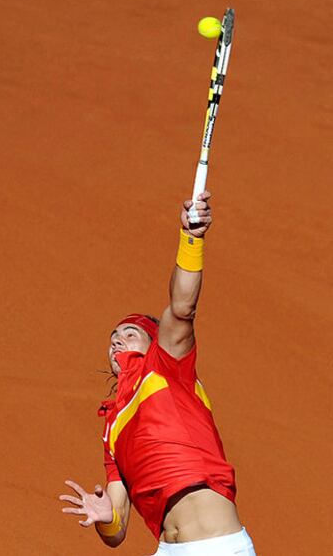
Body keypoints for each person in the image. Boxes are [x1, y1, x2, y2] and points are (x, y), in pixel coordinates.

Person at [59, 192, 256, 555]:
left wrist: (191, 238)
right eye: (113, 337)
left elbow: (182, 309)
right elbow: (117, 528)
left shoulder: (167, 369)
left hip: (217, 546)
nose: (117, 341)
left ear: (154, 345)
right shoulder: (113, 427)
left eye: (129, 334)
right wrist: (106, 518)